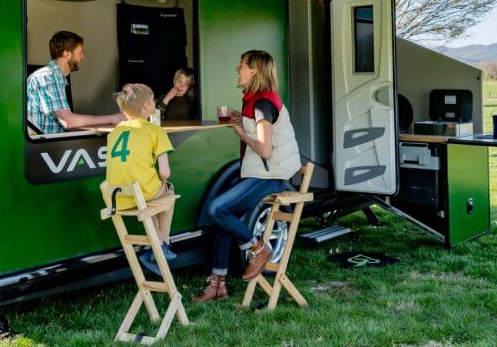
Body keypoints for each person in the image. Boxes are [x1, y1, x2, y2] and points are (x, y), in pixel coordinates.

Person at [194, 50, 302, 303]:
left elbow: (264, 148)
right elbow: (257, 128)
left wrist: (239, 131)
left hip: (271, 176)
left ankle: (256, 248)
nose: (237, 69)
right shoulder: (254, 99)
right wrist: (239, 119)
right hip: (260, 172)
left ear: (254, 71)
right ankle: (217, 285)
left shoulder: (263, 103)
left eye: (241, 65)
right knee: (223, 217)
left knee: (217, 210)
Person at [105, 83, 178, 276]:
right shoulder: (156, 131)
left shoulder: (115, 131)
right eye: (153, 101)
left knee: (151, 200)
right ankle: (163, 243)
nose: (155, 104)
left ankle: (159, 246)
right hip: (142, 193)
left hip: (117, 197)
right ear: (146, 106)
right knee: (168, 193)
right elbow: (164, 173)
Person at [27, 30, 124, 135]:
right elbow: (68, 121)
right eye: (80, 52)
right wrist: (113, 118)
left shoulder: (56, 77)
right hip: (49, 146)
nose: (83, 57)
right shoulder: (48, 77)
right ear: (67, 54)